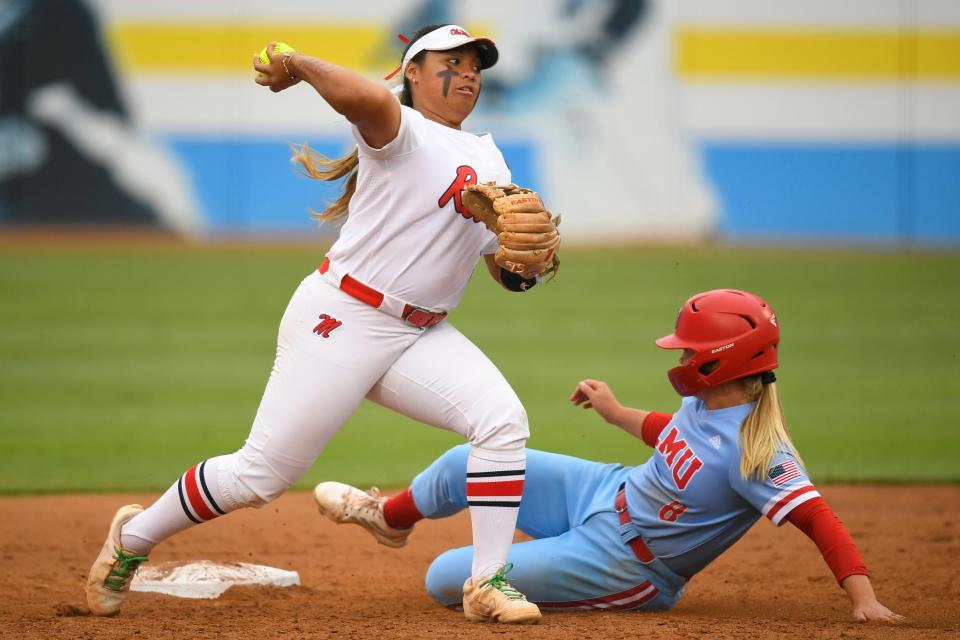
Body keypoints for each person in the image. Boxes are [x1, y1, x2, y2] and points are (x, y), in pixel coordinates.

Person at [85, 24, 552, 624]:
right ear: (412, 71)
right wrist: (297, 62)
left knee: (501, 420)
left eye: (476, 65)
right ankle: (133, 538)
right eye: (451, 60)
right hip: (344, 316)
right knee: (259, 477)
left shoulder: (489, 156)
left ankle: (488, 582)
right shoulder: (401, 131)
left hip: (421, 332)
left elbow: (501, 267)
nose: (467, 72)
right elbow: (369, 100)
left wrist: (525, 267)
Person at [315, 288, 904, 623]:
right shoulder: (709, 403)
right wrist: (616, 411)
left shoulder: (759, 450)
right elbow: (670, 436)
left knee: (447, 577)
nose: (678, 358)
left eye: (689, 350)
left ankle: (540, 564)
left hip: (628, 564)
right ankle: (388, 519)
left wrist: (865, 600)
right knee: (462, 462)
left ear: (723, 360)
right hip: (604, 489)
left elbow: (816, 515)